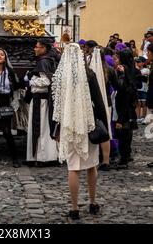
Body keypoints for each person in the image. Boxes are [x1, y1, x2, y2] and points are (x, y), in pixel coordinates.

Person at [52, 43, 108, 220]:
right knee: (91, 165)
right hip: (88, 126)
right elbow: (99, 103)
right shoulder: (89, 75)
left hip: (69, 127)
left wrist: (56, 129)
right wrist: (103, 126)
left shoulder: (60, 77)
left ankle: (74, 207)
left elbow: (56, 107)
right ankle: (92, 202)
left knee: (73, 168)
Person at [25, 39, 58, 166]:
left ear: (44, 49)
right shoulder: (46, 60)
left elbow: (46, 82)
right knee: (43, 127)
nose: (35, 49)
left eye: (37, 47)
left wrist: (31, 82)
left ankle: (43, 157)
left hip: (42, 101)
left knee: (42, 128)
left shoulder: (44, 61)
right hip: (41, 100)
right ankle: (38, 156)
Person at [114, 49, 138, 169]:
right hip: (129, 106)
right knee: (127, 133)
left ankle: (123, 159)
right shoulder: (132, 69)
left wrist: (120, 75)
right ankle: (126, 155)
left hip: (124, 105)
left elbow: (122, 88)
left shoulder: (125, 71)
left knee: (123, 133)